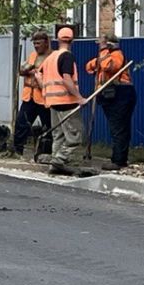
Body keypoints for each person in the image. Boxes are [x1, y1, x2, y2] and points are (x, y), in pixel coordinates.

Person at [40, 26, 86, 175]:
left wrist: (47, 93)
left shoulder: (50, 58)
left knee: (58, 135)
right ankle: (59, 160)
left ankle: (55, 163)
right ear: (72, 40)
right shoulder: (67, 56)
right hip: (67, 102)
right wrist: (79, 98)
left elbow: (38, 75)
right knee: (75, 135)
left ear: (58, 39)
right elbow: (67, 79)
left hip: (53, 102)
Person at [86, 33, 135, 170]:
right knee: (117, 127)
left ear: (108, 44)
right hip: (110, 94)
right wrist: (99, 60)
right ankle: (119, 159)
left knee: (119, 128)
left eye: (101, 43)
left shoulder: (116, 55)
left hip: (120, 93)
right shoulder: (105, 57)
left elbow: (109, 67)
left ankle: (118, 160)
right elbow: (89, 67)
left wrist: (103, 51)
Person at [12, 30, 53, 159]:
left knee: (48, 126)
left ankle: (47, 152)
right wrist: (29, 69)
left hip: (44, 98)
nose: (36, 46)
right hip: (29, 97)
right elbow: (22, 70)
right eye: (34, 43)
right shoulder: (32, 56)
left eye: (38, 43)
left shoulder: (51, 57)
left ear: (46, 43)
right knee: (21, 123)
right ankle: (17, 150)